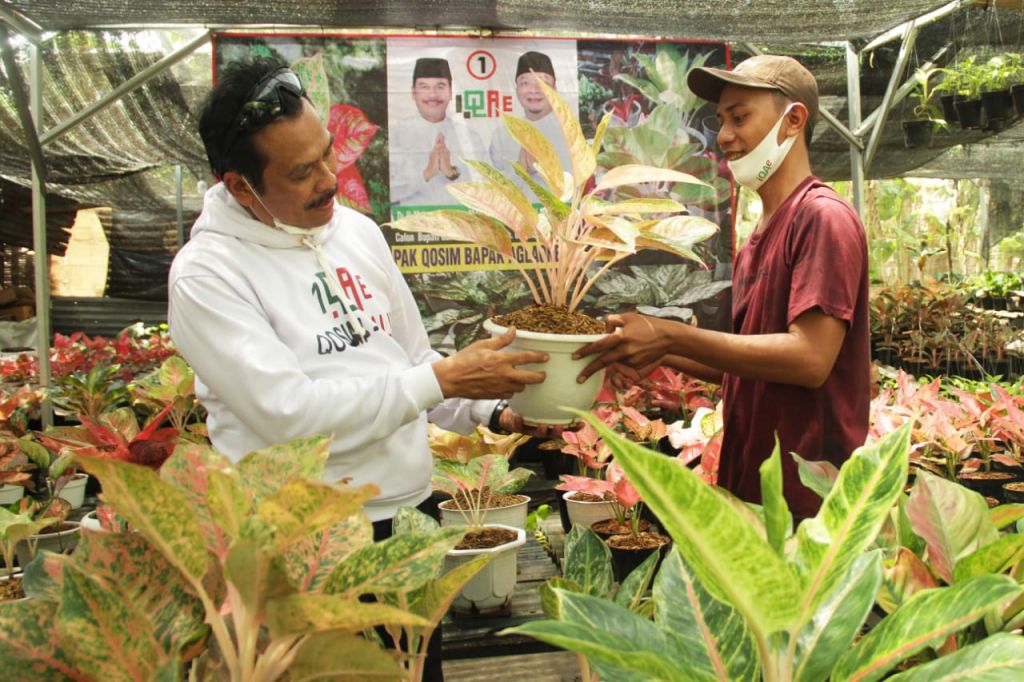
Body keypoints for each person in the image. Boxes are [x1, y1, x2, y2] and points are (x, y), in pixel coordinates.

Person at [168, 58, 548, 680]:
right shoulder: (208, 275)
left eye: (326, 154)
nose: (331, 180)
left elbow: (412, 360)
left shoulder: (357, 234)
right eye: (302, 171)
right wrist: (442, 380)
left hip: (410, 515)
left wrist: (496, 409)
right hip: (308, 543)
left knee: (417, 671)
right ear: (240, 186)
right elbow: (289, 417)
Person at [575, 55, 870, 521]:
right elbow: (746, 364)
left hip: (807, 500)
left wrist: (669, 333)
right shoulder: (758, 238)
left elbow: (810, 359)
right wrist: (657, 350)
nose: (725, 137)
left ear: (794, 120)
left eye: (740, 118)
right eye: (720, 122)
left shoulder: (821, 218)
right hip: (752, 483)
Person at [390, 57, 485, 207]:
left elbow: (486, 190)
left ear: (450, 92)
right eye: (424, 87)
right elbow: (388, 191)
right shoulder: (396, 133)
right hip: (412, 220)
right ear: (413, 93)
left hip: (459, 219)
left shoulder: (469, 136)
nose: (432, 95)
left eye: (440, 87)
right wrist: (427, 173)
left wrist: (451, 173)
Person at [489, 50, 572, 191]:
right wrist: (518, 171)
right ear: (516, 91)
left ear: (555, 90)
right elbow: (493, 183)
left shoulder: (569, 133)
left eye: (543, 82)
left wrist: (545, 169)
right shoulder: (502, 135)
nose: (534, 90)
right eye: (525, 83)